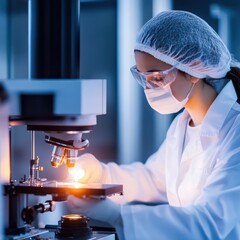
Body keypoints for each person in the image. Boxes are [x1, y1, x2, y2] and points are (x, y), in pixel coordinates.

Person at [67, 10, 240, 239]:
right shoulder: (183, 124)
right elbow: (153, 179)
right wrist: (101, 174)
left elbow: (210, 222)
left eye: (157, 77)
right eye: (143, 78)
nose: (150, 89)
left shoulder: (235, 130)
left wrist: (118, 216)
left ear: (195, 69)